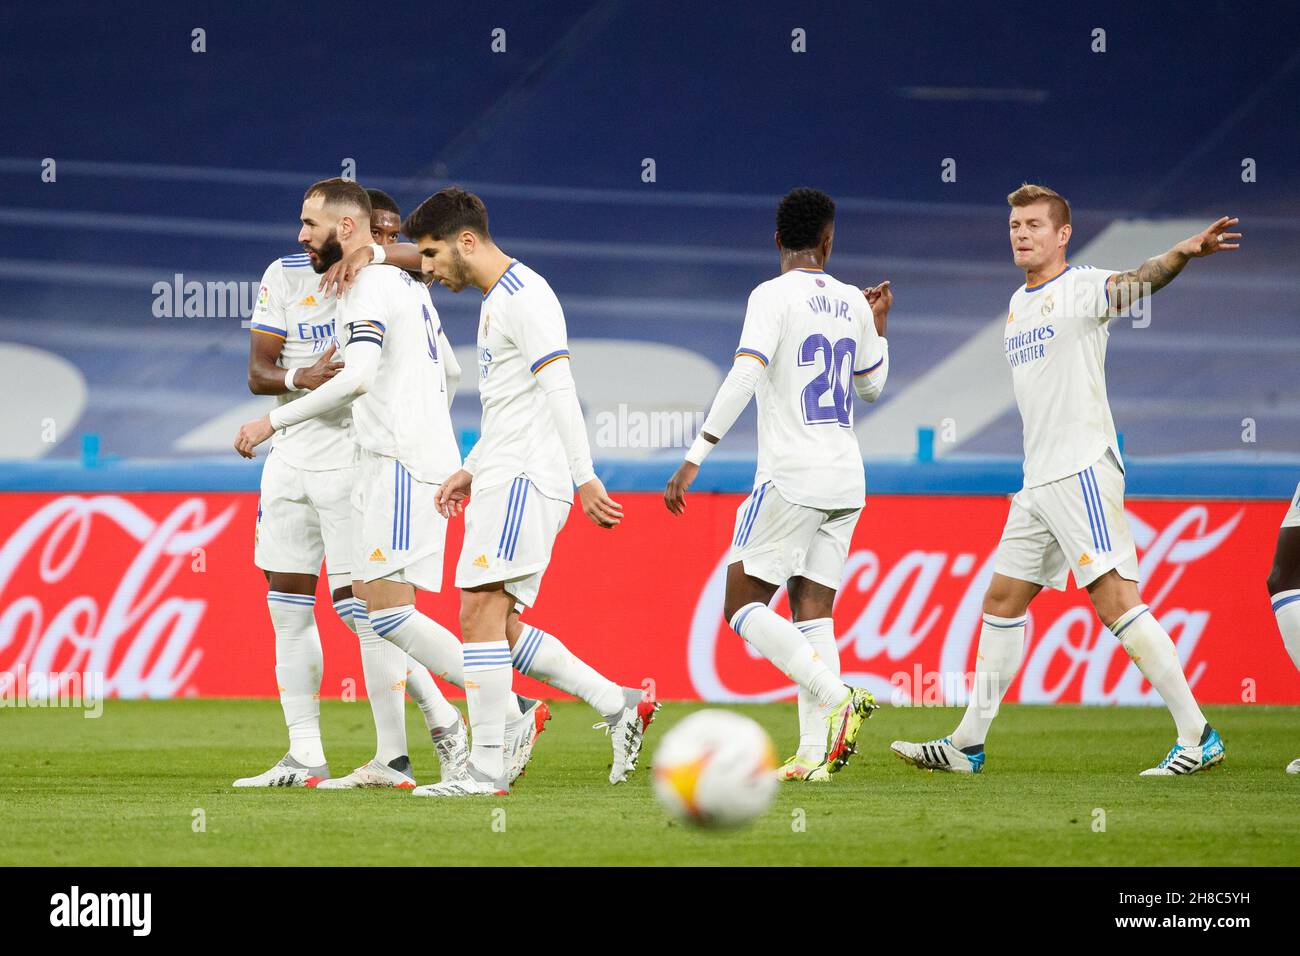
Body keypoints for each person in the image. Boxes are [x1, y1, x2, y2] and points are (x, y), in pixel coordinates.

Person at [892, 183, 1241, 776]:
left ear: (1062, 235)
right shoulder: (1016, 304)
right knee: (1002, 600)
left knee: (1115, 602)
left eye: (1033, 225)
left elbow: (1137, 280)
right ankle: (968, 743)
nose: (1021, 234)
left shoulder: (1081, 288)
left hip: (1080, 469)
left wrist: (1180, 255)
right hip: (1038, 480)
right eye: (1014, 226)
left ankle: (1198, 734)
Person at [664, 187, 891, 782]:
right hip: (846, 479)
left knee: (740, 606)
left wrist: (696, 455)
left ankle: (838, 695)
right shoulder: (853, 300)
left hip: (792, 475)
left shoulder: (770, 295)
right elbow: (871, 389)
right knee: (812, 612)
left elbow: (746, 371)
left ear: (776, 241)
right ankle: (816, 753)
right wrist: (880, 329)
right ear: (828, 239)